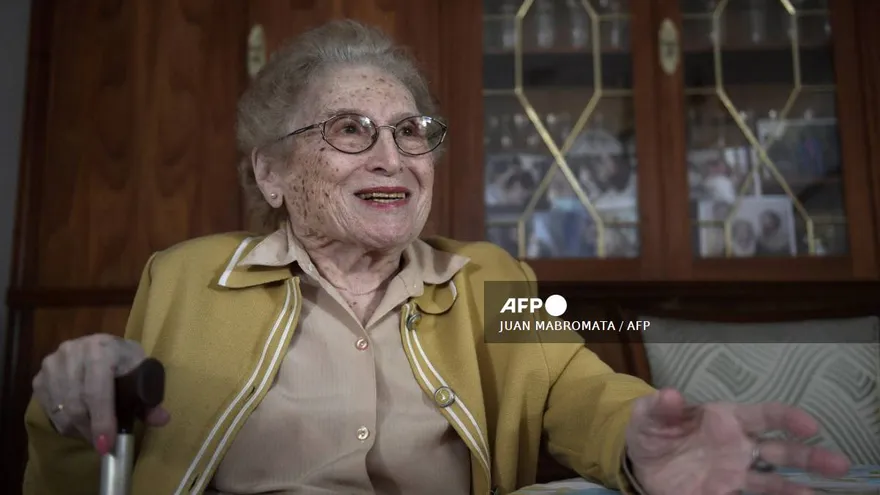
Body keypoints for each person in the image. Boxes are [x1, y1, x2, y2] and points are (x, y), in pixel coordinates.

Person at [24, 20, 849, 495]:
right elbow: (99, 436)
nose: (394, 156)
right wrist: (74, 395)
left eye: (411, 132)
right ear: (271, 171)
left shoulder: (494, 279)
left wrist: (640, 439)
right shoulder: (187, 276)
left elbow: (579, 387)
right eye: (350, 130)